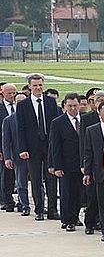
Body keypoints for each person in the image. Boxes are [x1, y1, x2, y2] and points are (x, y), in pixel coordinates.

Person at [15, 73, 60, 221]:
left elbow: (55, 125)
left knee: (51, 178)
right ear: (29, 86)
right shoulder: (23, 105)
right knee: (35, 179)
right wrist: (22, 149)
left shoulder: (50, 102)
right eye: (35, 85)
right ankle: (39, 209)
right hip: (32, 147)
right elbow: (20, 128)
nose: (38, 88)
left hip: (49, 145)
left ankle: (52, 209)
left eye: (40, 85)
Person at [48, 93, 83, 231]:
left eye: (75, 105)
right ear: (64, 107)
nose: (73, 108)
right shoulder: (58, 122)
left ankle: (75, 216)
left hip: (82, 164)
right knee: (67, 193)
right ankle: (67, 219)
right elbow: (54, 145)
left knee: (79, 193)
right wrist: (56, 166)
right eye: (70, 106)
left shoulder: (85, 120)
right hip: (66, 164)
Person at [83, 99, 104, 240]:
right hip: (99, 172)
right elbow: (88, 152)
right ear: (99, 113)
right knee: (101, 202)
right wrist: (87, 172)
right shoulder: (92, 130)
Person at [3, 92, 29, 215]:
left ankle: (39, 205)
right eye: (18, 102)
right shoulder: (8, 120)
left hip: (33, 155)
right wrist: (7, 157)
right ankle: (24, 205)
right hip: (18, 156)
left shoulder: (32, 117)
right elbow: (6, 140)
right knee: (21, 182)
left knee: (38, 183)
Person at [0, 83, 18, 212]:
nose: (12, 96)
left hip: (19, 147)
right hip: (5, 148)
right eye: (9, 93)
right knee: (7, 175)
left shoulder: (20, 107)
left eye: (13, 93)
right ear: (3, 94)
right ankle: (7, 200)